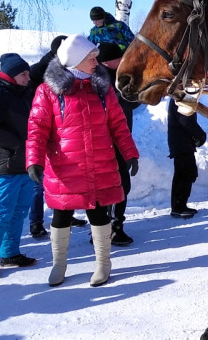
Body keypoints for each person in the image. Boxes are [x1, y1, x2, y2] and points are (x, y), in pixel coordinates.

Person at [26, 34, 140, 287]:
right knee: (61, 216)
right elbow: (37, 128)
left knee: (99, 214)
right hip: (66, 167)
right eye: (90, 57)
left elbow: (118, 124)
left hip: (100, 163)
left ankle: (103, 264)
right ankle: (59, 264)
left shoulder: (102, 88)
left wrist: (130, 152)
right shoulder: (48, 91)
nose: (95, 62)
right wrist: (33, 160)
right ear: (76, 60)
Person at [0, 53, 37, 279]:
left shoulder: (24, 94)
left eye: (28, 74)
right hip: (6, 162)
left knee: (20, 211)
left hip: (25, 162)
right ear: (11, 74)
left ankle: (10, 253)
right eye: (23, 74)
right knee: (2, 213)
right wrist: (17, 145)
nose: (27, 78)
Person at [26, 35, 88, 239]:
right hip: (44, 130)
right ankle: (36, 222)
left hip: (61, 135)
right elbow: (34, 106)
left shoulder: (71, 73)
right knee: (39, 185)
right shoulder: (39, 72)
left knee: (63, 184)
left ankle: (66, 215)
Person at [96, 42, 140, 245]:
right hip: (109, 145)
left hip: (120, 142)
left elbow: (127, 103)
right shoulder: (100, 81)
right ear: (106, 61)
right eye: (118, 58)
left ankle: (105, 228)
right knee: (117, 187)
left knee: (120, 186)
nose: (122, 60)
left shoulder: (114, 78)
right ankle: (112, 228)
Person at [167, 99, 208, 218]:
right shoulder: (179, 99)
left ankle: (179, 206)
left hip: (181, 142)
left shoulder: (180, 97)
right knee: (186, 173)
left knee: (183, 173)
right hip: (181, 143)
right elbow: (185, 120)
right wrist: (200, 134)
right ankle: (178, 207)